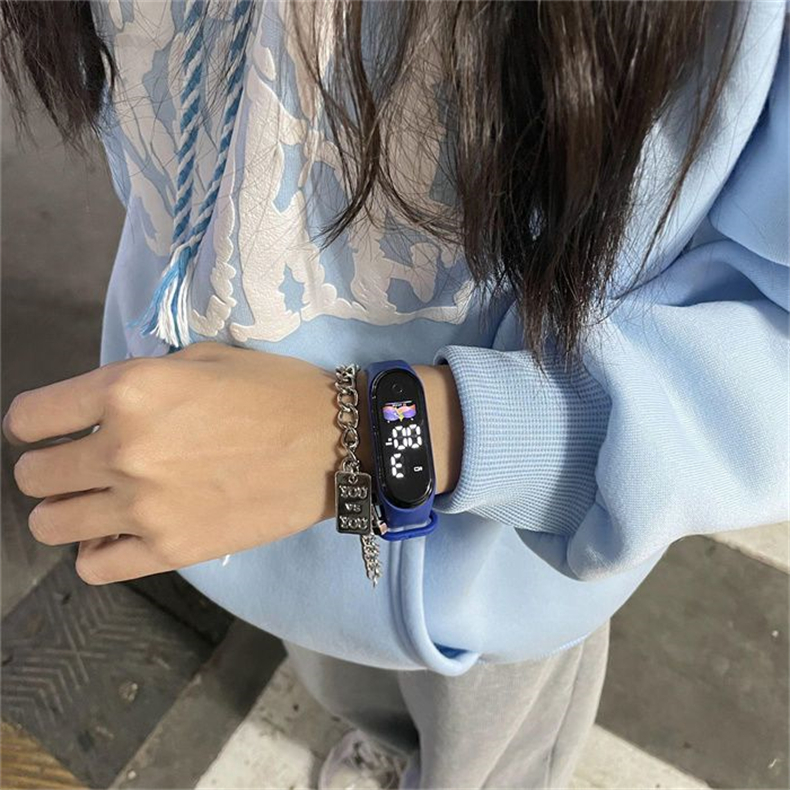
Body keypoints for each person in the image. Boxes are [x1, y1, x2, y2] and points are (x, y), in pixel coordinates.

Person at [1, 1, 787, 788]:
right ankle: (384, 738)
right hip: (221, 471)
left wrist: (362, 437)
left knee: (487, 748)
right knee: (346, 679)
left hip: (499, 538)